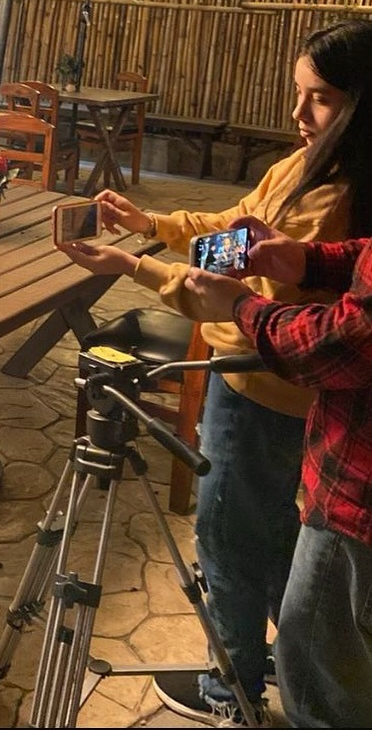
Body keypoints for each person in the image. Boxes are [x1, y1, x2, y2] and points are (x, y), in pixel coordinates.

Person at [66, 18, 372, 724]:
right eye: (298, 92)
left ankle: (230, 689)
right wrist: (153, 226)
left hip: (268, 389)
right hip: (255, 383)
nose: (298, 113)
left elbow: (245, 297)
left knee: (228, 538)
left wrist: (136, 267)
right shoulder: (305, 165)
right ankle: (271, 666)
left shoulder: (337, 195)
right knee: (276, 542)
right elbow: (237, 232)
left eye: (321, 98)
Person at [176, 224, 372, 729]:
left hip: (358, 499)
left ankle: (234, 692)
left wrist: (242, 306)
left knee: (322, 692)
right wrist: (309, 261)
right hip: (340, 473)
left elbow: (338, 342)